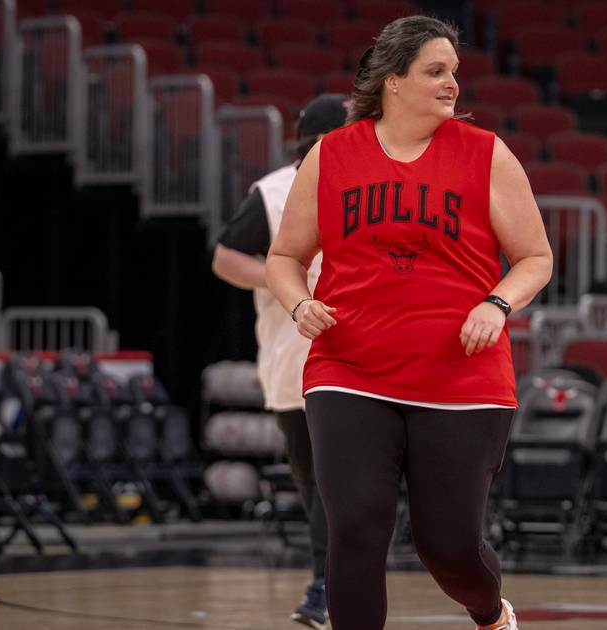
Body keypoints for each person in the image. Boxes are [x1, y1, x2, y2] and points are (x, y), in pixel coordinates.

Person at [266, 15, 553, 630]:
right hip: (348, 368)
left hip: (461, 377)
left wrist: (496, 303)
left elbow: (535, 258)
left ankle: (490, 613)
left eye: (454, 72)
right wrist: (299, 303)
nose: (452, 84)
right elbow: (284, 257)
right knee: (356, 526)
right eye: (436, 71)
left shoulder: (486, 154)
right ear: (393, 80)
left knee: (448, 546)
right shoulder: (331, 154)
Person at [211, 93, 350, 630]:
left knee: (339, 482)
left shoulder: (369, 185)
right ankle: (329, 582)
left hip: (359, 354)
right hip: (297, 353)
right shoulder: (274, 193)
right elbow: (225, 257)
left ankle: (330, 584)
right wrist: (281, 279)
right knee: (319, 484)